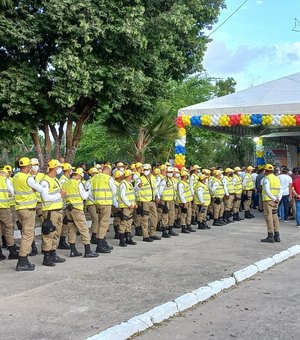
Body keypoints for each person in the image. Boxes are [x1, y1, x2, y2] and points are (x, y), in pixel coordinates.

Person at [13, 157, 44, 271]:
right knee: (28, 234)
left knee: (25, 233)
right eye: (30, 165)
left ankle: (23, 260)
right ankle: (22, 260)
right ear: (28, 166)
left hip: (19, 208)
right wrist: (34, 189)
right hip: (28, 209)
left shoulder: (15, 177)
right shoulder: (28, 178)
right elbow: (40, 189)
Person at [62, 168, 99, 258]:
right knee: (83, 229)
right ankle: (88, 250)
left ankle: (73, 250)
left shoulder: (65, 183)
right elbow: (84, 196)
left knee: (71, 229)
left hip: (68, 209)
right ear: (78, 175)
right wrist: (87, 191)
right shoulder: (78, 183)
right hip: (77, 209)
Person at [40, 159, 66, 266]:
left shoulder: (55, 179)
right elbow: (45, 197)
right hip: (50, 212)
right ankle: (46, 257)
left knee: (56, 234)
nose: (60, 169)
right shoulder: (45, 181)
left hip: (58, 210)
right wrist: (60, 195)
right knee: (49, 234)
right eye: (59, 167)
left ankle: (52, 253)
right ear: (54, 168)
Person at [91, 165, 117, 253]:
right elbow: (114, 190)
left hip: (97, 203)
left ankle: (103, 242)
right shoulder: (108, 178)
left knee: (100, 222)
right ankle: (100, 244)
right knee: (104, 223)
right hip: (106, 203)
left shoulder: (94, 178)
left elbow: (90, 191)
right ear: (108, 171)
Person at [135, 163, 161, 242]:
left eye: (147, 170)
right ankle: (145, 235)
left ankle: (152, 233)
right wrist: (138, 186)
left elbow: (155, 188)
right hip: (144, 201)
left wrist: (157, 196)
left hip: (152, 201)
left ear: (150, 170)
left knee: (154, 218)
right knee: (145, 219)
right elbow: (135, 189)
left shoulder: (153, 178)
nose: (146, 171)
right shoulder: (140, 179)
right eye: (145, 170)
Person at [0, 168, 19, 260]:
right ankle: (12, 250)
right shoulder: (5, 179)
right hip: (3, 207)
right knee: (8, 227)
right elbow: (12, 192)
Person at [261, 164, 282, 243]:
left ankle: (270, 236)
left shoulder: (266, 179)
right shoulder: (277, 178)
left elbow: (267, 190)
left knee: (268, 217)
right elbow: (280, 190)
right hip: (276, 201)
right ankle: (277, 236)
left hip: (268, 201)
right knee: (275, 217)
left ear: (266, 171)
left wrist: (273, 198)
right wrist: (278, 199)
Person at [117, 169, 137, 246]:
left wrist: (134, 204)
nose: (132, 176)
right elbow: (123, 196)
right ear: (128, 176)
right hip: (125, 207)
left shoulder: (129, 183)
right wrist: (129, 204)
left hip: (130, 206)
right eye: (131, 175)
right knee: (123, 223)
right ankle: (122, 241)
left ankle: (128, 238)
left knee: (129, 223)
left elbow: (132, 195)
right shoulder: (123, 184)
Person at [158, 166, 179, 237]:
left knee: (172, 215)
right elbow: (160, 191)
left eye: (171, 172)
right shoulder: (164, 180)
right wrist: (160, 200)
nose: (170, 173)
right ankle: (164, 231)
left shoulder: (172, 180)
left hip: (171, 200)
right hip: (165, 200)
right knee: (165, 215)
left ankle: (170, 229)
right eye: (169, 172)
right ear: (166, 172)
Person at [85, 167, 99, 245]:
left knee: (97, 219)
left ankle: (96, 234)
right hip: (91, 203)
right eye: (95, 173)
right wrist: (95, 201)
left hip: (96, 202)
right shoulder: (89, 182)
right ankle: (93, 236)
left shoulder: (95, 181)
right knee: (95, 219)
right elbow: (89, 194)